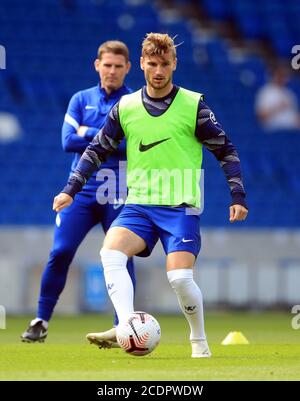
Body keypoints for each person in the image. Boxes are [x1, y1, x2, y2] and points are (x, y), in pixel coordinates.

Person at [53, 33, 248, 358]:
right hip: (139, 206)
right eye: (152, 63)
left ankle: (198, 341)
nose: (158, 71)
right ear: (142, 64)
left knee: (180, 278)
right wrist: (70, 189)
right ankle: (127, 325)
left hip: (181, 208)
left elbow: (225, 149)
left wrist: (237, 195)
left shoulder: (193, 105)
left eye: (165, 64)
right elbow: (97, 149)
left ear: (174, 64)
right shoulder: (126, 107)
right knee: (111, 254)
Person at [21, 40, 136, 346]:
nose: (111, 71)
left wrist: (88, 132)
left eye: (117, 66)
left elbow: (133, 147)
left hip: (118, 191)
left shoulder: (134, 103)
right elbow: (66, 141)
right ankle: (41, 321)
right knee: (60, 252)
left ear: (128, 68)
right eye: (107, 65)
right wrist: (107, 138)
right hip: (81, 190)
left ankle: (121, 326)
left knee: (123, 256)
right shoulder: (80, 99)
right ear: (97, 65)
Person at [255, 64, 300, 131]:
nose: (283, 78)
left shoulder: (289, 93)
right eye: (280, 75)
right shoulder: (266, 92)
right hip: (274, 131)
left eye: (284, 76)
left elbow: (296, 114)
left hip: (292, 130)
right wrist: (278, 107)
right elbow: (261, 116)